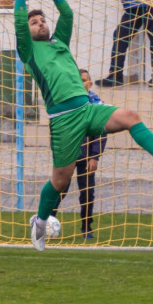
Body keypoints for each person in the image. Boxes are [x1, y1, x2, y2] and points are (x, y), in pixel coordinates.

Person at [14, 0, 153, 251]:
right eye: (35, 22)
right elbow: (19, 23)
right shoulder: (28, 50)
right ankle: (40, 223)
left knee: (130, 116)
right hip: (64, 121)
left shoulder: (59, 43)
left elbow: (67, 15)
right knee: (61, 180)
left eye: (43, 20)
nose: (41, 24)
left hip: (88, 109)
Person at [53, 69, 108, 238]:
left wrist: (95, 156)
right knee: (59, 189)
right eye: (78, 80)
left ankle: (86, 227)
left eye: (84, 80)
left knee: (87, 192)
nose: (81, 82)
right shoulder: (66, 103)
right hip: (68, 156)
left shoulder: (97, 105)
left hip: (87, 157)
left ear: (90, 84)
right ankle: (47, 221)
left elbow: (101, 132)